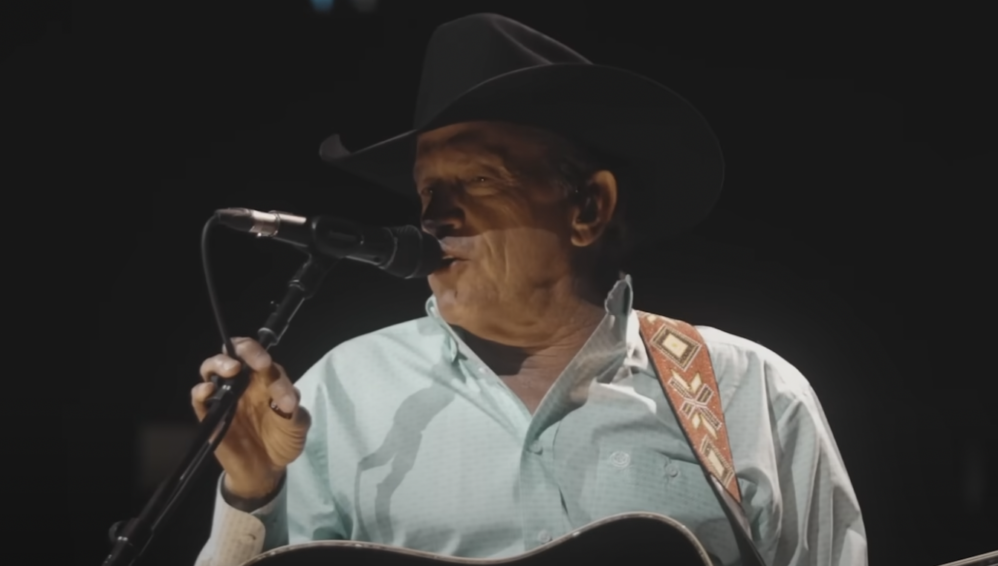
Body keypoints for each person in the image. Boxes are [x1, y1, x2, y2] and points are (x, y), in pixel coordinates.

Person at [191, 13, 866, 566]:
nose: (435, 216)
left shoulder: (750, 393)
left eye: (480, 180)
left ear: (588, 210)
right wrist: (251, 494)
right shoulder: (340, 393)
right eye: (429, 190)